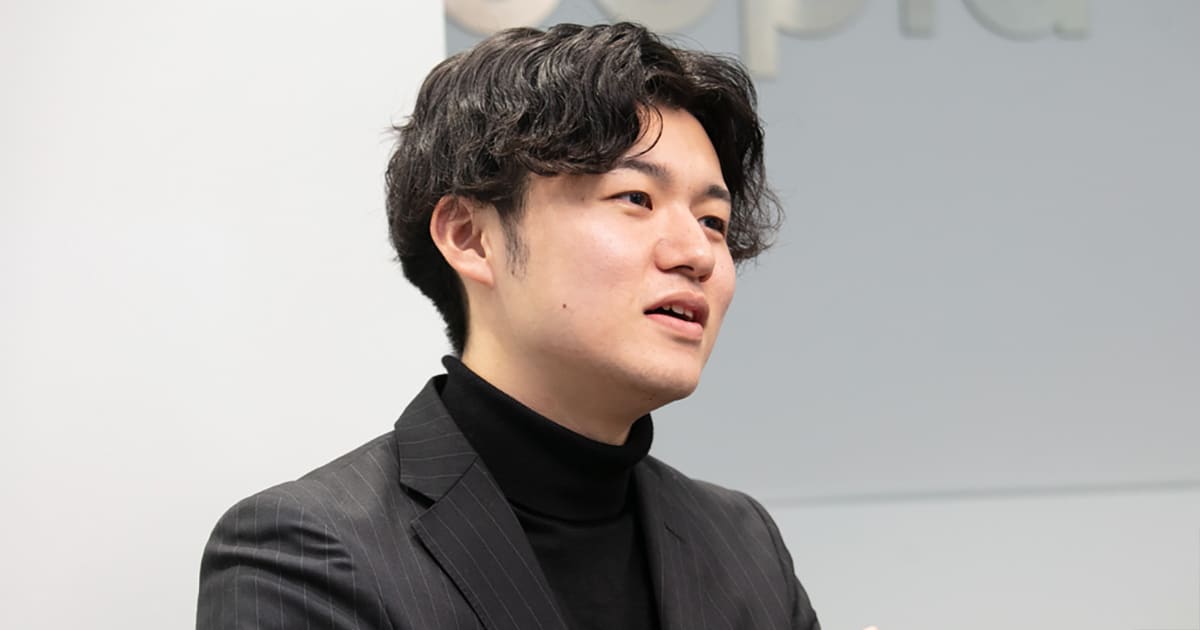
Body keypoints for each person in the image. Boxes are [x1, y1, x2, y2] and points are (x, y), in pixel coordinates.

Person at [197, 22, 820, 630]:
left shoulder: (744, 543)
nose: (697, 254)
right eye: (635, 198)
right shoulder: (304, 552)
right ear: (470, 237)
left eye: (713, 220)